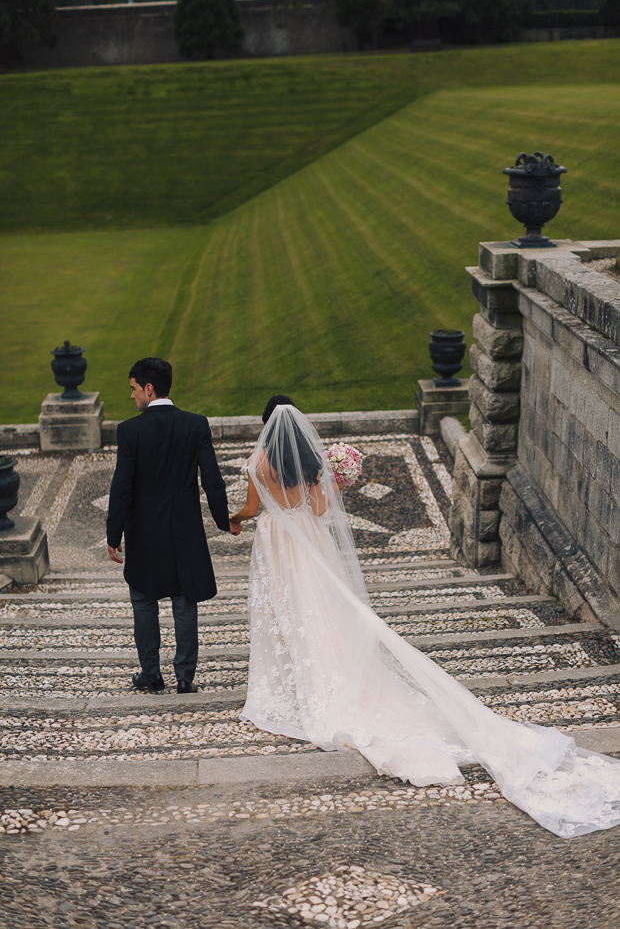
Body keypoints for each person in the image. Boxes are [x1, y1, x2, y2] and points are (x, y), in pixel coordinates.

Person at [230, 398, 620, 838]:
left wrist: (236, 520)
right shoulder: (310, 464)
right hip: (310, 547)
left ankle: (298, 680)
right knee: (324, 613)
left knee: (288, 614)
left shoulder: (257, 463)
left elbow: (251, 508)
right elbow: (319, 512)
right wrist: (331, 483)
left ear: (265, 428)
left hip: (277, 543)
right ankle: (333, 674)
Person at [107, 357, 239, 694]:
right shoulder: (196, 425)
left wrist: (113, 533)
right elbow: (213, 480)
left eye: (134, 389)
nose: (132, 396)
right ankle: (185, 677)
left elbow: (121, 488)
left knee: (144, 600)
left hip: (144, 532)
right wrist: (224, 521)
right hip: (185, 529)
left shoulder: (130, 430)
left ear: (149, 389)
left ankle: (151, 675)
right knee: (183, 601)